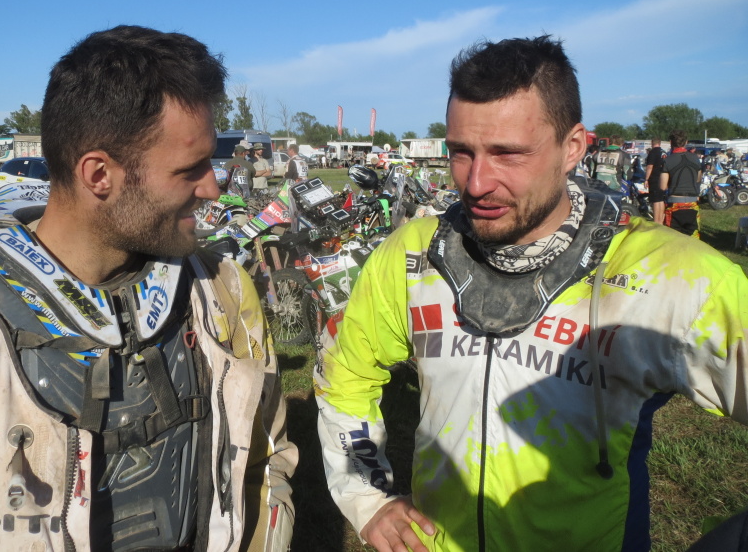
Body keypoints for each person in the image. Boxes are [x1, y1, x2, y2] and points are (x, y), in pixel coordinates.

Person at [0, 25, 296, 552]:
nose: (213, 187)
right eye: (190, 169)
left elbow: (266, 459)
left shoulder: (224, 291)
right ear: (99, 175)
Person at [314, 36, 748, 552]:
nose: (477, 183)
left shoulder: (673, 275)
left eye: (508, 153)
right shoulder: (413, 254)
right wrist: (368, 498)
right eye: (461, 152)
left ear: (573, 148)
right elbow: (346, 373)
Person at [660, 129, 703, 238]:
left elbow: (663, 186)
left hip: (674, 204)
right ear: (686, 142)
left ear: (671, 142)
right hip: (692, 204)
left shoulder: (667, 160)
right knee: (693, 239)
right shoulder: (695, 158)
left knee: (673, 239)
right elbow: (698, 179)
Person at [644, 137, 666, 222]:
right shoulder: (663, 152)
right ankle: (661, 220)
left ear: (652, 143)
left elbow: (650, 166)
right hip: (664, 178)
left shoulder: (653, 152)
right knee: (661, 199)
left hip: (655, 177)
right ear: (660, 143)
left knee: (656, 200)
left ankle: (656, 221)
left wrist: (646, 179)